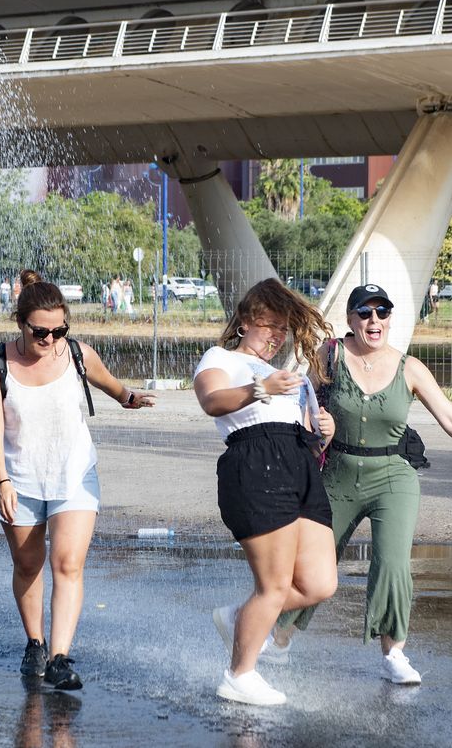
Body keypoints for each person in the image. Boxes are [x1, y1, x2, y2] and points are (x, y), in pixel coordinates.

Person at [276, 284, 452, 686]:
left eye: (382, 312)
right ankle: (277, 639)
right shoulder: (330, 355)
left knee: (392, 563)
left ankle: (394, 653)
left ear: (391, 318)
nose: (374, 321)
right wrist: (317, 424)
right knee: (313, 564)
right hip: (337, 473)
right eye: (365, 313)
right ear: (350, 320)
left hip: (394, 477)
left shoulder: (410, 367)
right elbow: (298, 403)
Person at [0, 270, 156, 691]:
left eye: (59, 330)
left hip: (74, 475)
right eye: (41, 332)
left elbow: (113, 387)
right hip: (18, 478)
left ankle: (59, 657)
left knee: (67, 564)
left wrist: (129, 398)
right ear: (20, 324)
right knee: (27, 564)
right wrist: (2, 480)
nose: (50, 340)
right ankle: (35, 643)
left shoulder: (76, 354)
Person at [194, 278, 337, 706]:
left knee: (319, 583)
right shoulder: (220, 358)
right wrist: (262, 388)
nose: (277, 336)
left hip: (298, 466)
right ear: (243, 323)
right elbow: (212, 400)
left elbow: (300, 432)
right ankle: (239, 675)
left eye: (283, 329)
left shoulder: (288, 375)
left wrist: (321, 433)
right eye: (268, 326)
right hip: (253, 466)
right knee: (273, 586)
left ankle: (242, 617)